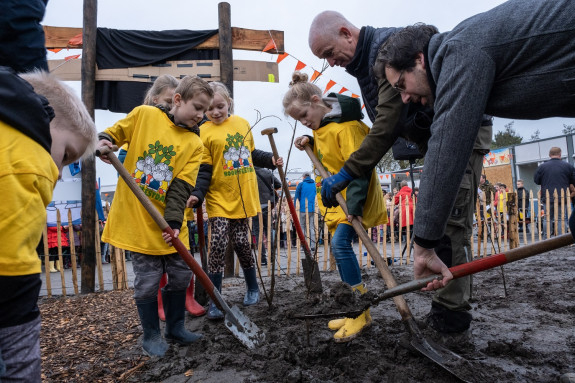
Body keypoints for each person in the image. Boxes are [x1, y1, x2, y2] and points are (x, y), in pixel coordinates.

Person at [309, 11, 492, 336]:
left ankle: (452, 322)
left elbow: (387, 123)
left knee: (451, 223)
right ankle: (444, 313)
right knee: (437, 222)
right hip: (438, 137)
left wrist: (347, 172)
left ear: (345, 33)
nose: (331, 63)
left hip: (462, 132)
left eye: (328, 53)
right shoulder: (368, 61)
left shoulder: (386, 50)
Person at [376, 0, 575, 290]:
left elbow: (447, 146)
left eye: (401, 85)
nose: (404, 98)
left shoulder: (459, 52)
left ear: (420, 60)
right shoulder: (463, 50)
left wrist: (424, 245)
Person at [97, 75, 213, 357]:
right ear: (177, 100)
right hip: (139, 220)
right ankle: (150, 335)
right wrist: (105, 142)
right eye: (197, 107)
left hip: (171, 223)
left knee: (180, 273)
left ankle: (175, 327)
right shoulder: (145, 116)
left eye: (204, 111)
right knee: (148, 280)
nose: (200, 116)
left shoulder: (194, 144)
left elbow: (181, 186)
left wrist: (173, 224)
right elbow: (115, 132)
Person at [0, 69, 97, 382]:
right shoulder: (33, 162)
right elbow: (11, 258)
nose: (58, 172)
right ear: (45, 116)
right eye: (66, 154)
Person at [284, 72, 387, 342]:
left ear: (317, 101)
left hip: (355, 198)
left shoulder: (348, 127)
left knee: (341, 245)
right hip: (338, 202)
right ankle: (354, 308)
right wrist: (310, 140)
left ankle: (361, 311)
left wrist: (354, 205)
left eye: (305, 116)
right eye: (299, 121)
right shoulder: (325, 126)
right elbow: (327, 152)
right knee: (340, 251)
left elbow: (359, 169)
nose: (305, 122)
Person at [186, 82, 283, 320]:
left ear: (228, 102)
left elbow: (250, 155)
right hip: (219, 196)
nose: (216, 112)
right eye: (210, 109)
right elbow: (205, 169)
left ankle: (252, 287)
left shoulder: (241, 124)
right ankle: (216, 299)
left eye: (220, 106)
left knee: (241, 242)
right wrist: (198, 193)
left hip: (242, 195)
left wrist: (271, 159)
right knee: (217, 243)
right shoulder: (203, 131)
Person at [534, 147, 575, 237]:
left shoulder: (542, 167)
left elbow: (536, 181)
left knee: (547, 218)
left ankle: (546, 238)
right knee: (561, 218)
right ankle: (561, 238)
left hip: (547, 197)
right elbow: (573, 180)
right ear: (560, 154)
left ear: (549, 155)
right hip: (563, 197)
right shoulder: (568, 166)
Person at [253, 166, 281, 266]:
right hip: (267, 205)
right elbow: (278, 184)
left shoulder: (249, 173)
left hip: (255, 206)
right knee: (269, 232)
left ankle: (262, 259)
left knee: (258, 233)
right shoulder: (267, 172)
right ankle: (272, 257)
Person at [294, 172, 317, 250]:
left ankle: (304, 245)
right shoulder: (314, 184)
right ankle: (313, 245)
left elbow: (296, 197)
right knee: (311, 227)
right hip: (312, 208)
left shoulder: (301, 184)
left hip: (303, 209)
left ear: (304, 177)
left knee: (302, 227)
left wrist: (294, 208)